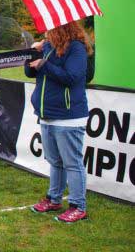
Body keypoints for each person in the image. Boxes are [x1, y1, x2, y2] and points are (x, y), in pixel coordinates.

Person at [25, 21, 93, 223]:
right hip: (47, 114)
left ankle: (78, 206)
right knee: (55, 162)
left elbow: (72, 77)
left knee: (72, 163)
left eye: (49, 29)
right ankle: (54, 199)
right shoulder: (46, 47)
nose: (46, 32)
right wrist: (32, 54)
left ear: (61, 29)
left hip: (69, 116)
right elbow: (30, 72)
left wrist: (44, 65)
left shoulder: (77, 48)